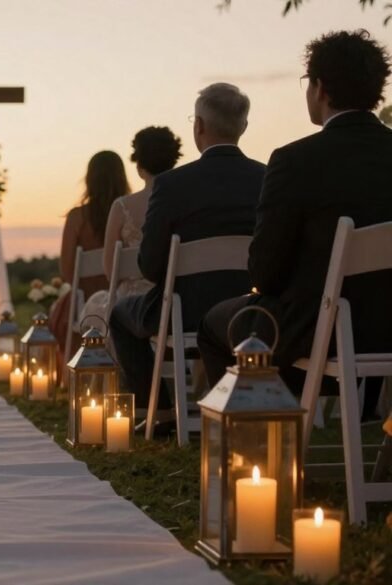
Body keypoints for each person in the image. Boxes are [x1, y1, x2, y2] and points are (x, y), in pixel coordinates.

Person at [198, 31, 392, 423]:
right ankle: (368, 419)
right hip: (387, 327)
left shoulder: (295, 161)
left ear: (320, 88)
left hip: (316, 333)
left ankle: (253, 445)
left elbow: (266, 274)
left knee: (218, 324)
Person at [109, 83, 265, 415]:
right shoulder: (266, 178)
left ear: (198, 126)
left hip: (185, 312)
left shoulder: (171, 185)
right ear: (244, 127)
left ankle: (160, 413)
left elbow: (150, 265)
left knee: (120, 316)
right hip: (251, 312)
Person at [80, 126, 182, 327]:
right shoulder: (186, 202)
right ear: (174, 161)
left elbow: (111, 272)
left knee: (95, 307)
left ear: (138, 165)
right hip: (178, 303)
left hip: (134, 304)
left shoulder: (122, 206)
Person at [49, 151, 129, 377]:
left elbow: (67, 272)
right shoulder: (129, 215)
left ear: (89, 179)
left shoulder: (77, 218)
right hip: (124, 299)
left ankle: (76, 372)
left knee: (62, 307)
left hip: (85, 303)